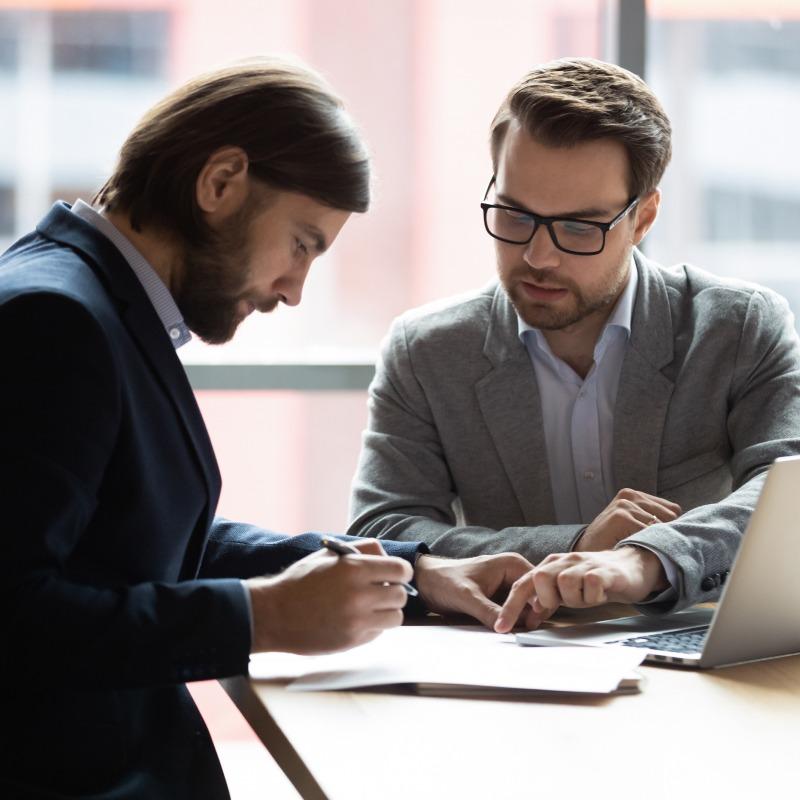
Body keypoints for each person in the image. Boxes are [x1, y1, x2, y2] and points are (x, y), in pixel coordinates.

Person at [0, 58, 534, 799]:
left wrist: (412, 575)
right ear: (220, 182)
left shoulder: (93, 303)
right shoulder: (54, 321)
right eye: (302, 244)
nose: (294, 290)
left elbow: (136, 539)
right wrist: (258, 619)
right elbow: (15, 614)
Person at [348, 57, 800, 629]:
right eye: (514, 215)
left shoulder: (735, 329)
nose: (538, 256)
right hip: (509, 654)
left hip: (687, 648)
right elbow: (382, 531)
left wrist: (646, 560)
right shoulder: (427, 352)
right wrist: (577, 543)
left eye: (580, 227)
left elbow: (788, 495)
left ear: (642, 219)